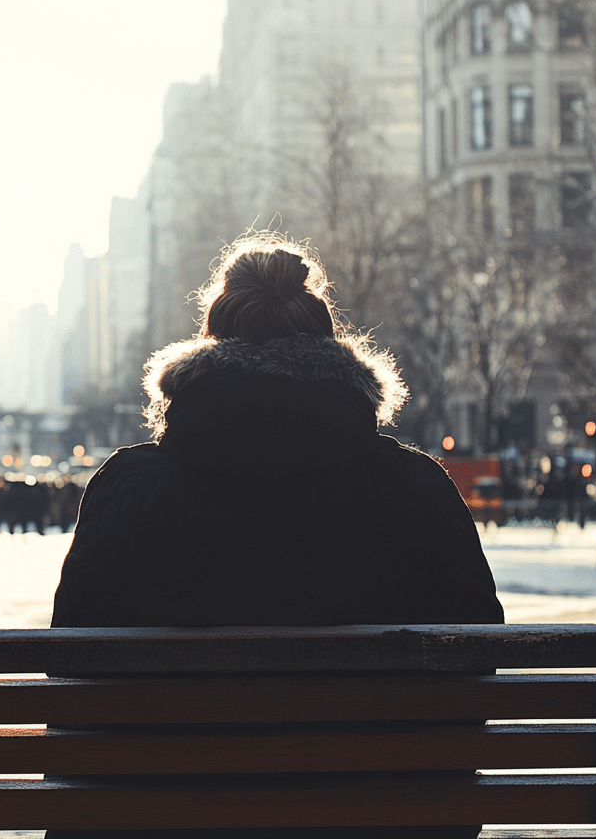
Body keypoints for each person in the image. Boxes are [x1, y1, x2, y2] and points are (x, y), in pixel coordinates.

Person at [48, 234, 502, 839]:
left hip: (162, 823)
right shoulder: (418, 489)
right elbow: (479, 663)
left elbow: (70, 675)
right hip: (381, 825)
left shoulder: (126, 491)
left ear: (209, 347)